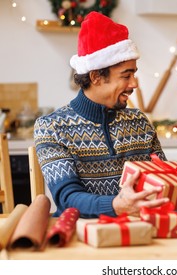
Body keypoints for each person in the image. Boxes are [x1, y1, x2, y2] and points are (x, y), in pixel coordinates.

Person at [33, 11, 169, 218]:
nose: (134, 84)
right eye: (126, 75)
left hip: (139, 232)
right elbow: (67, 198)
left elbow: (166, 183)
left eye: (134, 73)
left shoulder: (139, 121)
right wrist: (116, 205)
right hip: (80, 236)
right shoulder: (52, 127)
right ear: (96, 76)